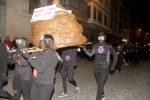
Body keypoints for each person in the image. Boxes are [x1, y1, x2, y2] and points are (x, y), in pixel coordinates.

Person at [82, 32, 118, 100]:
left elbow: (115, 55)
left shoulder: (108, 46)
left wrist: (113, 66)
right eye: (99, 37)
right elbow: (90, 54)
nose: (100, 39)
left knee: (100, 85)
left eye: (102, 37)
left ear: (104, 38)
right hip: (96, 68)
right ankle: (102, 94)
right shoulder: (96, 45)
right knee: (99, 84)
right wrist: (84, 49)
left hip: (104, 68)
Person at [22, 34, 59, 100]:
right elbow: (37, 62)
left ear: (45, 41)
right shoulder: (42, 51)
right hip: (36, 81)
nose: (39, 42)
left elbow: (41, 68)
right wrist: (33, 54)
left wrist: (28, 57)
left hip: (45, 83)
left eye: (41, 40)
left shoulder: (49, 52)